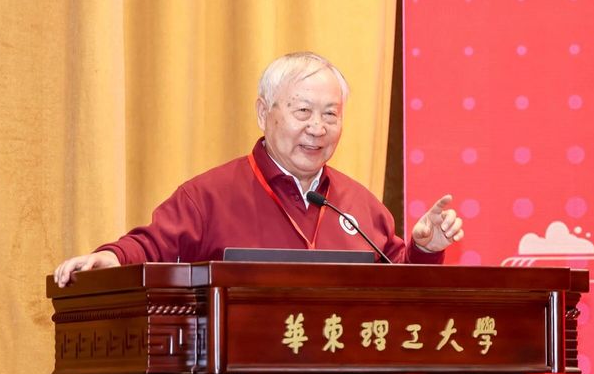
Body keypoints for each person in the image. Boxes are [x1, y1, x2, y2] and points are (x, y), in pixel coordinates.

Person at [54, 52, 463, 287]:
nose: (318, 128)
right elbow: (152, 247)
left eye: (331, 114)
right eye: (303, 111)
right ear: (264, 113)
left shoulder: (361, 206)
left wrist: (425, 251)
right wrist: (111, 258)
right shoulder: (208, 197)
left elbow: (401, 287)